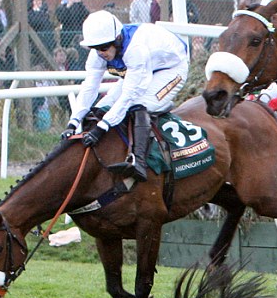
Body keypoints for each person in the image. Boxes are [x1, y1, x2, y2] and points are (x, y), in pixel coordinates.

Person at [63, 10, 189, 182]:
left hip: (171, 69)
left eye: (104, 48)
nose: (100, 53)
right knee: (102, 105)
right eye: (95, 48)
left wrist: (102, 127)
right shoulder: (100, 52)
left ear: (117, 40)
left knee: (139, 104)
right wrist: (73, 121)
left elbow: (129, 96)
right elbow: (89, 88)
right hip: (141, 70)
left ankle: (139, 162)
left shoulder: (135, 50)